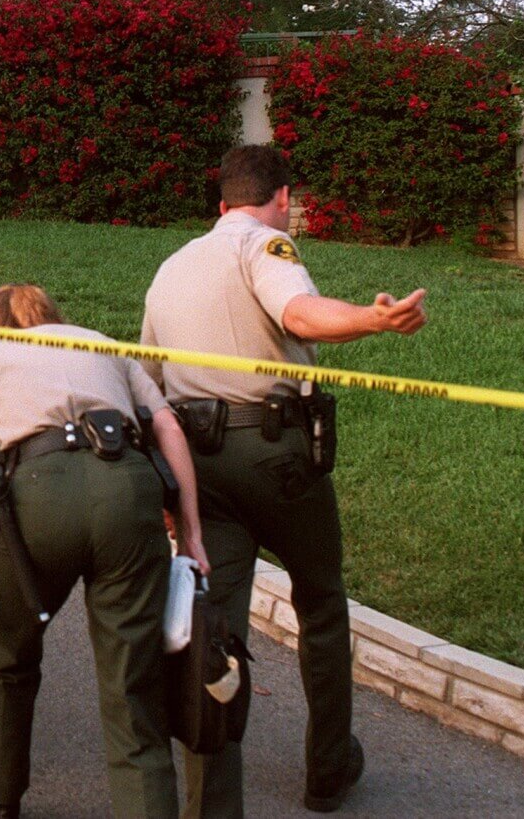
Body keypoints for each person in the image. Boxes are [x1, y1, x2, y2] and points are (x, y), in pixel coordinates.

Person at [140, 144, 427, 816]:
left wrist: (168, 494)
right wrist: (372, 318)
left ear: (219, 203)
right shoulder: (266, 244)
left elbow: (149, 388)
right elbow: (299, 315)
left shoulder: (170, 268)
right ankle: (328, 769)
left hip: (200, 467)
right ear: (283, 199)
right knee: (321, 604)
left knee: (214, 632)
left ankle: (211, 805)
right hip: (278, 459)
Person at [0, 284, 210, 819]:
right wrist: (192, 533)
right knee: (133, 680)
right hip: (128, 493)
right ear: (53, 316)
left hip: (38, 498)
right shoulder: (103, 345)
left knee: (9, 656)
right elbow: (167, 425)